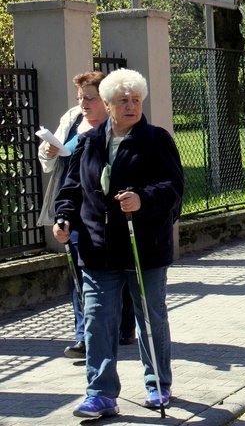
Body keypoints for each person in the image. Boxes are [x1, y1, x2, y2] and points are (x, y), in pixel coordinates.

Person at [53, 69, 184, 418]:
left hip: (144, 247)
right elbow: (71, 189)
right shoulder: (90, 142)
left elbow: (173, 188)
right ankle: (100, 393)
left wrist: (143, 199)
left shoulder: (157, 139)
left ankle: (158, 384)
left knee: (150, 317)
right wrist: (63, 218)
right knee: (97, 319)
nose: (131, 106)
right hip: (98, 248)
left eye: (136, 100)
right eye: (123, 100)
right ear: (108, 105)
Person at [38, 71, 125, 359]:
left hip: (112, 208)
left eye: (89, 97)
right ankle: (83, 337)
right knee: (81, 270)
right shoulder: (73, 119)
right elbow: (49, 159)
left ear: (105, 99)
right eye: (80, 97)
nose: (83, 103)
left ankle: (124, 325)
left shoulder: (121, 122)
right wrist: (50, 151)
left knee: (118, 270)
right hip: (75, 206)